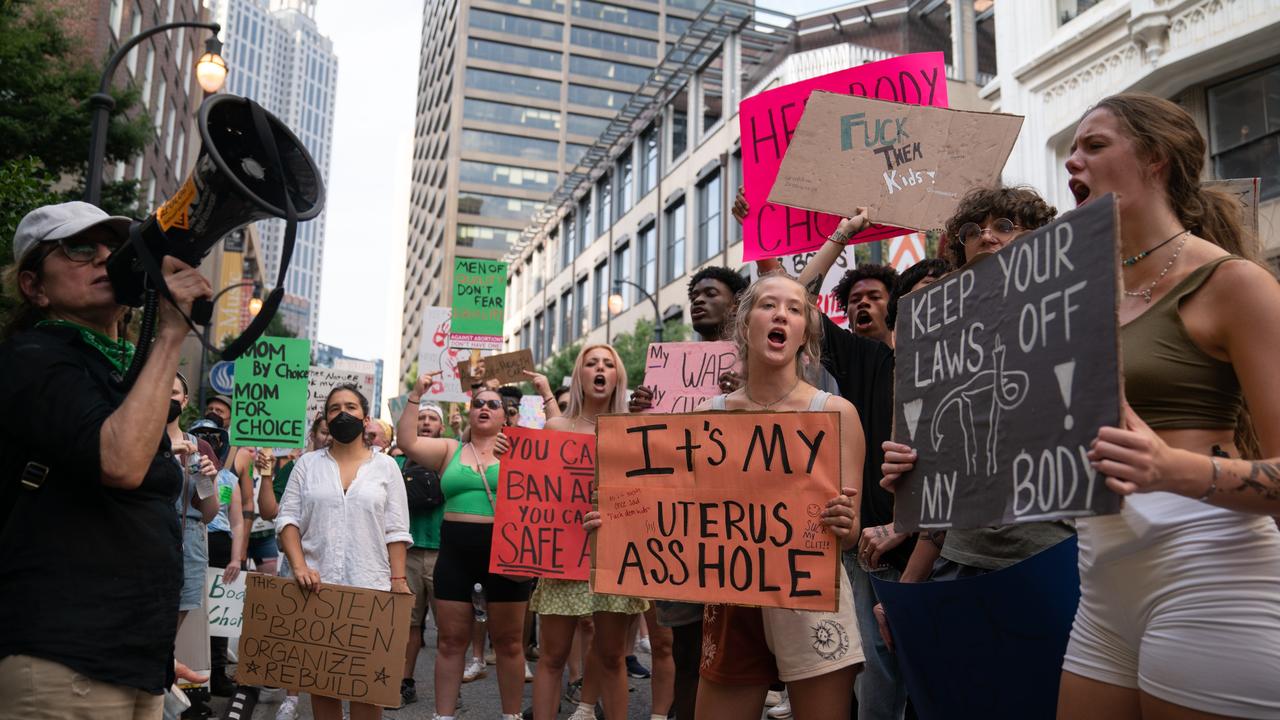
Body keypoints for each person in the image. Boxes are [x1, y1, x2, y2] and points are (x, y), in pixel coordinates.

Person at [1050, 93, 1280, 719]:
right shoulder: (1077, 301)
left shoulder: (1236, 284)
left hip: (1211, 574)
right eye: (1070, 150)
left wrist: (1169, 468)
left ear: (1155, 158)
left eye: (1094, 146)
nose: (1073, 162)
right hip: (1102, 581)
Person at [589, 273, 864, 720]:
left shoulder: (835, 414)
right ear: (744, 323)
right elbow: (671, 512)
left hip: (811, 598)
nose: (781, 315)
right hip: (731, 599)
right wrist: (615, 524)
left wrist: (843, 520)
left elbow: (850, 537)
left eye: (794, 309)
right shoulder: (708, 417)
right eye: (768, 305)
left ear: (805, 334)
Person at [0, 201, 213, 718]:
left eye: (114, 249)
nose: (104, 260)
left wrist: (156, 656)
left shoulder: (119, 373)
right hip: (64, 658)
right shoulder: (35, 358)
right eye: (78, 249)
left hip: (130, 660)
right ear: (35, 286)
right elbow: (119, 463)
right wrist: (170, 334)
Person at [735, 193, 902, 720]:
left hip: (930, 539)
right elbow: (793, 302)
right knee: (874, 664)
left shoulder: (960, 367)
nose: (862, 305)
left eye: (876, 295)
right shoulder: (865, 361)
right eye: (857, 299)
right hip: (860, 543)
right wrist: (839, 235)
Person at [628, 264, 748, 720]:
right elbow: (652, 452)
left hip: (740, 530)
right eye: (693, 294)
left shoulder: (759, 365)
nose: (698, 300)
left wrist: (749, 397)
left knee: (736, 653)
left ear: (736, 302)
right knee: (685, 648)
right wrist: (641, 413)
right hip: (681, 527)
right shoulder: (668, 371)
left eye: (710, 292)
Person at [512, 345, 646, 720]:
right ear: (580, 376)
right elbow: (536, 490)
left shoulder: (634, 428)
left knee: (611, 656)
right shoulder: (555, 429)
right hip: (563, 555)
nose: (600, 369)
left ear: (617, 376)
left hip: (615, 556)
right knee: (552, 657)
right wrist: (513, 453)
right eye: (591, 364)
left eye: (608, 364)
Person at [397, 380, 534, 720]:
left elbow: (543, 490)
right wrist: (415, 395)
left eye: (493, 404)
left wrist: (514, 458)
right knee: (450, 641)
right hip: (455, 552)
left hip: (505, 551)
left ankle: (511, 716)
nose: (484, 407)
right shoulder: (448, 450)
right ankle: (443, 716)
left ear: (506, 416)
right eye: (478, 404)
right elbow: (407, 442)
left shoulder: (523, 449)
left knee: (509, 643)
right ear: (469, 413)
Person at [276, 384, 412, 720]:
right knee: (323, 686)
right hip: (316, 589)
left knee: (367, 690)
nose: (342, 414)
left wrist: (397, 579)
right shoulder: (307, 465)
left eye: (350, 407)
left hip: (371, 589)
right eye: (335, 408)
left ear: (366, 418)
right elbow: (287, 519)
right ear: (325, 417)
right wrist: (299, 566)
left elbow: (396, 530)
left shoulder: (387, 468)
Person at [400, 403, 447, 706]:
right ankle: (405, 681)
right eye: (422, 418)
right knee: (409, 624)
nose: (427, 422)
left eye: (433, 419)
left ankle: (448, 690)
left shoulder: (451, 459)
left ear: (442, 428)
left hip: (446, 553)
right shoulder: (397, 462)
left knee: (450, 629)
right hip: (409, 552)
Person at [832, 264, 897, 345]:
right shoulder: (833, 355)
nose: (863, 302)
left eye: (874, 297)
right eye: (855, 300)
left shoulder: (912, 356)